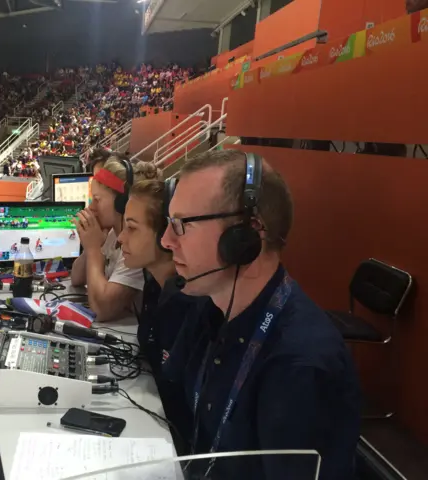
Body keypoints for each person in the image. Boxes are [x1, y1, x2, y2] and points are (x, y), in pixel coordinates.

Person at [161, 150, 361, 479]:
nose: (166, 240)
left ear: (247, 236)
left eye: (182, 225)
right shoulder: (209, 309)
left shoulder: (299, 365)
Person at [117, 178, 216, 454]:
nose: (121, 238)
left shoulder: (188, 303)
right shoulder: (155, 284)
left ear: (164, 235)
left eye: (132, 229)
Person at [71, 155, 159, 322]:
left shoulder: (137, 245)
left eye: (97, 199)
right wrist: (90, 243)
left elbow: (102, 311)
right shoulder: (113, 232)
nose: (91, 207)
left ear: (122, 203)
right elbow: (76, 278)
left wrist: (93, 249)